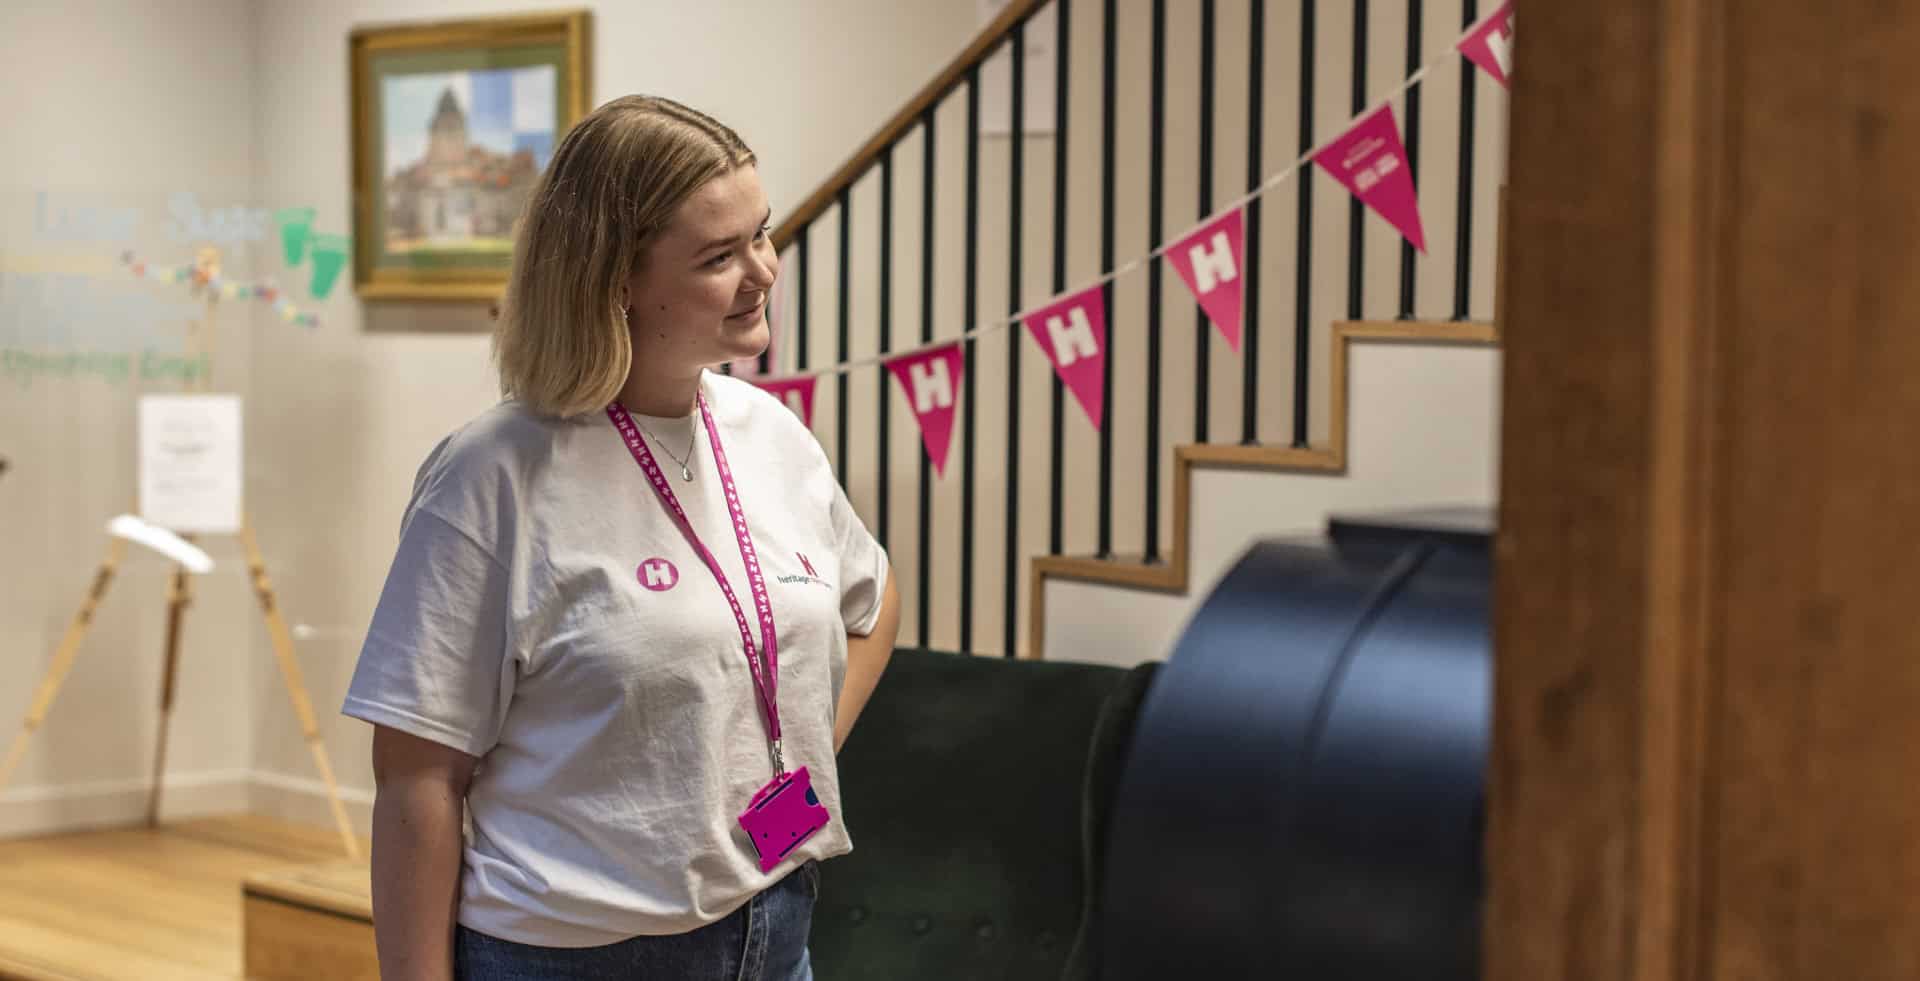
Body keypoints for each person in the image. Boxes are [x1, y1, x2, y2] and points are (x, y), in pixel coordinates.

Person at [341, 94, 901, 981]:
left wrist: (800, 752)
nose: (763, 271)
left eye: (762, 233)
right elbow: (417, 778)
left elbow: (870, 598)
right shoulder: (492, 476)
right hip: (577, 954)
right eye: (720, 256)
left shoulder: (772, 434)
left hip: (774, 924)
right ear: (615, 282)